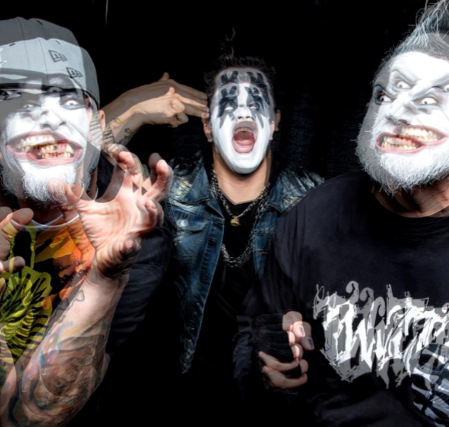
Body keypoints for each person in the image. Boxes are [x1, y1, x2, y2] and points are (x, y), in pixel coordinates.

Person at [240, 1, 449, 425]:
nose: (396, 111)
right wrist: (270, 356)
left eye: (428, 98)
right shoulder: (315, 214)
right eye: (385, 94)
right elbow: (253, 332)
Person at [0, 17, 173, 426]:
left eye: (68, 98)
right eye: (14, 96)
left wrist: (104, 280)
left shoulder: (135, 236)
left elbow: (31, 418)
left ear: (96, 124)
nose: (48, 116)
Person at [158, 54, 323, 410]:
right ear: (207, 126)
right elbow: (86, 178)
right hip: (188, 391)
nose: (244, 112)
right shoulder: (168, 188)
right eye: (229, 103)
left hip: (276, 401)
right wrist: (130, 110)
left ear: (275, 122)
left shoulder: (314, 200)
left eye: (256, 102)